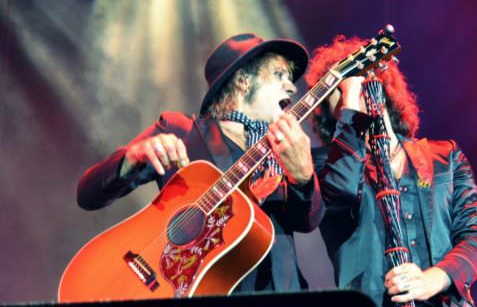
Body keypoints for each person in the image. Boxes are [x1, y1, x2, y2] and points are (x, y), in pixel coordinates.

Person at [77, 33, 323, 293]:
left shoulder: (285, 150)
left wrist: (304, 176)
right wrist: (132, 158)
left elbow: (308, 221)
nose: (292, 87)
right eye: (279, 75)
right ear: (242, 82)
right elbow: (89, 194)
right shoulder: (181, 131)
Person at [306, 35, 477, 307]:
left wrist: (433, 279)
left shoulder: (444, 156)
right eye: (344, 88)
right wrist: (352, 109)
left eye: (364, 77)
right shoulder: (325, 167)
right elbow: (341, 192)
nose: (359, 87)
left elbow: (476, 237)